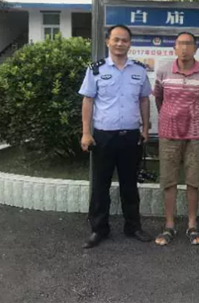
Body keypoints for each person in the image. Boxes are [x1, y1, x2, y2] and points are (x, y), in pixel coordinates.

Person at [79, 24, 153, 249]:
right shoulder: (96, 70)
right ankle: (98, 229)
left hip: (130, 136)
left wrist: (145, 129)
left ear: (130, 44)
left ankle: (133, 227)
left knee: (129, 185)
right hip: (103, 137)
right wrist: (86, 133)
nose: (120, 44)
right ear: (108, 42)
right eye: (116, 39)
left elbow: (144, 100)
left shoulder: (139, 70)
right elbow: (88, 100)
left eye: (125, 40)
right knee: (100, 185)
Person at [153, 32, 199, 247]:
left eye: (189, 44)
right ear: (174, 47)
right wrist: (171, 116)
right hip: (168, 133)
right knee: (169, 181)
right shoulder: (163, 71)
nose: (185, 48)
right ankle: (169, 226)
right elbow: (159, 98)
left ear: (196, 48)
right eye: (180, 44)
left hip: (195, 134)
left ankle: (192, 225)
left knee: (193, 181)